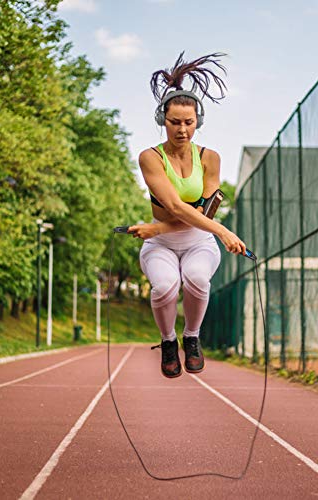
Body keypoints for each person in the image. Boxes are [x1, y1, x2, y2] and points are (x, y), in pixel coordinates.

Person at [128, 52, 246, 378]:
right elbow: (180, 207)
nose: (182, 129)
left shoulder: (211, 158)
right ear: (162, 121)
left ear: (198, 122)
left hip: (197, 241)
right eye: (174, 122)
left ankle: (191, 337)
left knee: (196, 279)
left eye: (189, 122)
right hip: (161, 244)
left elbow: (207, 209)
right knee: (165, 286)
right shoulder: (150, 158)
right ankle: (168, 341)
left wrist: (161, 227)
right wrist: (222, 231)